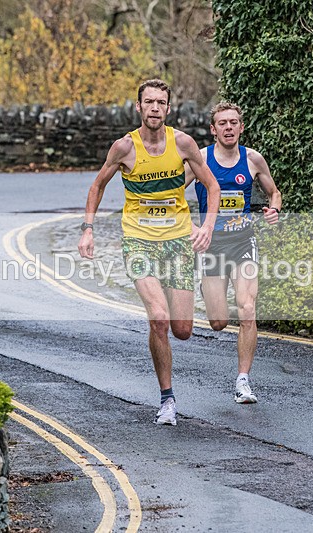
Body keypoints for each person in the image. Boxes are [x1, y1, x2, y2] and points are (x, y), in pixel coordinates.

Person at [78, 79, 220, 426]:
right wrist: (88, 228)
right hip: (138, 240)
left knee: (182, 329)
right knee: (158, 317)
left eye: (161, 102)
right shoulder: (124, 147)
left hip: (177, 243)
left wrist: (207, 226)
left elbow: (211, 185)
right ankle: (167, 399)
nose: (155, 108)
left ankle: (190, 291)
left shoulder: (183, 143)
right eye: (149, 102)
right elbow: (97, 185)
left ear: (168, 108)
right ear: (138, 107)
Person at [185, 101, 282, 404]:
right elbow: (172, 193)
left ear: (241, 126)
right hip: (212, 246)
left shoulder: (252, 159)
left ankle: (243, 380)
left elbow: (274, 192)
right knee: (217, 322)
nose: (229, 127)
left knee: (248, 308)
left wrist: (274, 210)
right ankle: (209, 292)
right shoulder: (199, 159)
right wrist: (192, 227)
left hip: (243, 243)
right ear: (213, 130)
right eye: (222, 123)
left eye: (234, 122)